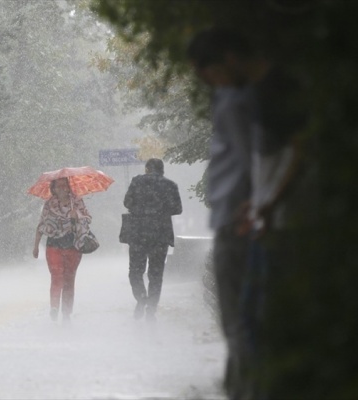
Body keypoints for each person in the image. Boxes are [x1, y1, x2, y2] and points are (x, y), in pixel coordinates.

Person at [187, 28, 257, 400]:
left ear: (226, 60)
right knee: (242, 316)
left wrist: (257, 203)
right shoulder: (244, 97)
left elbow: (252, 159)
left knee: (237, 318)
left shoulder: (233, 101)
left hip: (237, 218)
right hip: (239, 217)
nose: (203, 78)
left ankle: (243, 387)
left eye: (204, 69)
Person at [123, 158, 182, 322]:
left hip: (138, 234)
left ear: (147, 169)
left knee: (135, 271)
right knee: (156, 274)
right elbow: (178, 209)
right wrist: (160, 210)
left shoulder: (137, 182)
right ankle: (151, 309)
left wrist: (141, 208)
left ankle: (141, 298)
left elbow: (127, 202)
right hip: (160, 235)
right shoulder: (170, 185)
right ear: (162, 170)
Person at [33, 177, 92, 322]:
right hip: (54, 245)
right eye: (58, 186)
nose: (61, 188)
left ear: (69, 187)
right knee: (56, 276)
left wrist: (76, 215)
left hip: (73, 245)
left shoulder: (76, 201)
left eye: (64, 185)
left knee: (69, 279)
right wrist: (36, 246)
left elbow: (87, 219)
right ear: (53, 188)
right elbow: (41, 224)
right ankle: (54, 307)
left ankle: (66, 313)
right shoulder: (49, 204)